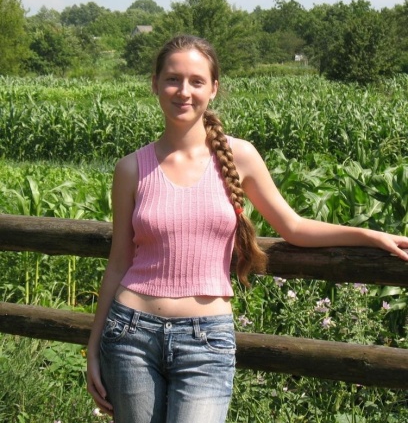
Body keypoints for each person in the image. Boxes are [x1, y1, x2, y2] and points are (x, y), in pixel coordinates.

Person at [86, 34, 408, 423]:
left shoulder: (239, 156)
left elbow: (293, 226)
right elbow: (119, 262)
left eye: (196, 81)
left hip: (206, 340)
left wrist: (369, 236)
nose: (183, 91)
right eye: (172, 79)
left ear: (213, 88)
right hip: (130, 335)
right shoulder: (131, 168)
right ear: (154, 84)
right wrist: (93, 348)